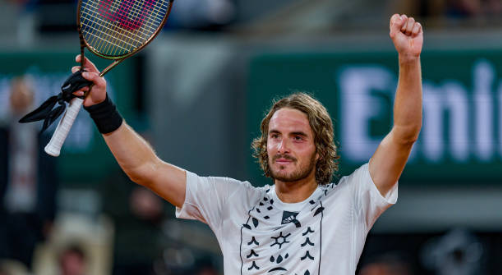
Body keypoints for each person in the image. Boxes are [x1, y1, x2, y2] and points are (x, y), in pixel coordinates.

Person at [72, 14, 423, 274]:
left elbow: (404, 133)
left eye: (297, 137)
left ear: (320, 149)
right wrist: (103, 108)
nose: (283, 146)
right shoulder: (233, 201)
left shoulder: (349, 201)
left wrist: (408, 62)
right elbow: (144, 169)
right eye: (275, 136)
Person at [0, 76, 58, 271]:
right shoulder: (3, 135)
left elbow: (51, 179)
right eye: (17, 97)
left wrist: (50, 217)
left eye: (25, 98)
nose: (20, 102)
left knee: (30, 266)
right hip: (5, 214)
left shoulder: (43, 138)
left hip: (34, 217)